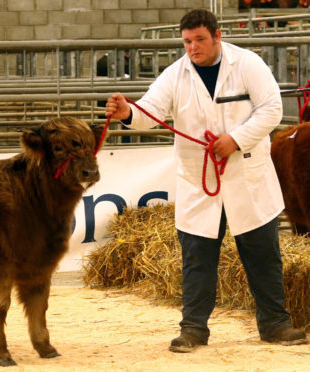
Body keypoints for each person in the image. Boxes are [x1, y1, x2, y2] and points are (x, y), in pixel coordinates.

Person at [105, 8, 308, 352]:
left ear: (217, 36)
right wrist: (128, 113)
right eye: (187, 41)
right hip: (200, 181)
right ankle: (194, 329)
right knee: (197, 257)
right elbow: (151, 110)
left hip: (246, 174)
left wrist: (237, 139)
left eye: (200, 39)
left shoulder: (247, 64)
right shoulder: (175, 74)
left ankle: (275, 324)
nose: (193, 47)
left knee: (263, 254)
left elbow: (272, 108)